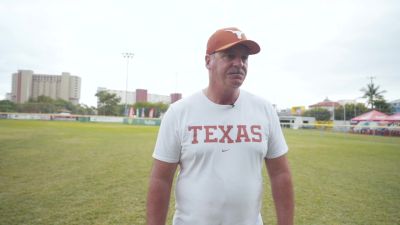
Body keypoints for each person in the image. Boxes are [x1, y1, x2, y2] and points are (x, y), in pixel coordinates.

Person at [146, 27, 294, 225]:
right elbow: (161, 181)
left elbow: (280, 175)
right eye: (229, 56)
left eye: (245, 58)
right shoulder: (179, 112)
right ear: (208, 61)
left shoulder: (264, 110)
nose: (239, 64)